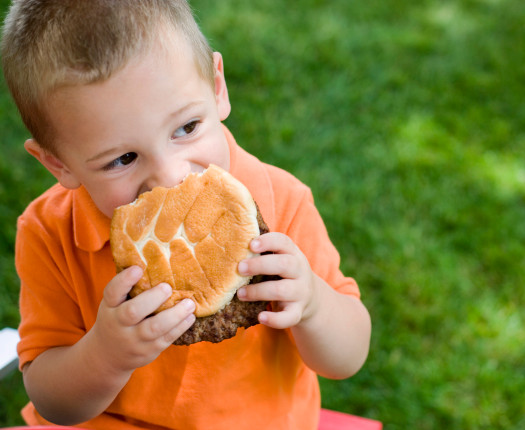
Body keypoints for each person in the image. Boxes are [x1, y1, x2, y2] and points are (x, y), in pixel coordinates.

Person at [1, 1, 372, 429]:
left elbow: (349, 356)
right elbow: (53, 402)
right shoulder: (50, 232)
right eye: (123, 158)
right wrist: (104, 355)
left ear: (217, 88)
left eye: (186, 128)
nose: (171, 178)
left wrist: (313, 304)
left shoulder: (283, 202)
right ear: (59, 164)